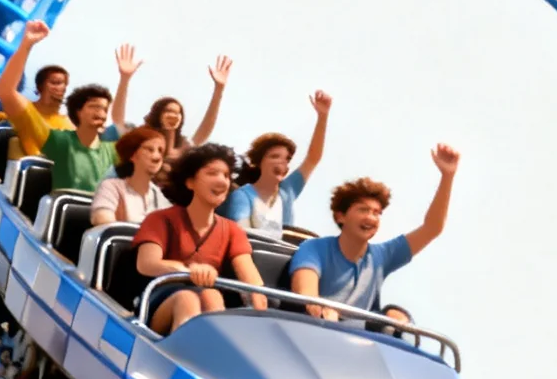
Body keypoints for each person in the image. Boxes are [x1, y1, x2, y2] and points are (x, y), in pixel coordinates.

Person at [288, 144, 459, 326]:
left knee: (398, 316)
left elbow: (432, 228)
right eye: (363, 210)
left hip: (359, 341)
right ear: (341, 216)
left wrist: (447, 177)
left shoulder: (382, 255)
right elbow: (306, 294)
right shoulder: (314, 248)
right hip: (313, 331)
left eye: (377, 212)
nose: (371, 218)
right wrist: (319, 307)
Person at [132, 142, 266, 334]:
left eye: (226, 176)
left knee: (213, 296)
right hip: (160, 298)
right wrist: (189, 271)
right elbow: (146, 263)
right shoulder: (160, 219)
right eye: (212, 173)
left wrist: (257, 297)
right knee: (187, 300)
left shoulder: (232, 230)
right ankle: (179, 351)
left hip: (206, 297)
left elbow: (250, 276)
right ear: (190, 182)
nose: (222, 181)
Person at [221, 91, 331, 238]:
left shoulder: (287, 191)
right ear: (258, 163)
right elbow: (240, 233)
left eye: (287, 159)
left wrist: (323, 117)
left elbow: (313, 158)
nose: (282, 162)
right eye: (274, 156)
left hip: (285, 256)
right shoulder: (243, 195)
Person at [109, 42, 232, 155]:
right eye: (168, 111)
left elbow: (203, 134)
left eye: (178, 113)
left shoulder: (182, 147)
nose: (174, 115)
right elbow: (118, 120)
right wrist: (124, 79)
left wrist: (219, 90)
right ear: (158, 114)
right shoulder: (140, 138)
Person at [0, 20, 73, 161]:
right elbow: (5, 90)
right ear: (39, 88)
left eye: (63, 85)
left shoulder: (68, 125)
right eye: (54, 83)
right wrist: (26, 45)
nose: (59, 89)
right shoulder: (27, 111)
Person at [39, 83, 117, 194]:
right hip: (67, 208)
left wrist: (125, 79)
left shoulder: (111, 149)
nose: (101, 113)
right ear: (78, 111)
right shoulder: (60, 140)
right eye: (94, 107)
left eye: (105, 109)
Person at [89, 125, 169, 225]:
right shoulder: (111, 187)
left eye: (160, 151)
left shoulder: (158, 194)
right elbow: (102, 220)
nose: (157, 157)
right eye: (150, 149)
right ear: (133, 155)